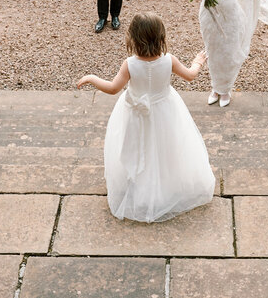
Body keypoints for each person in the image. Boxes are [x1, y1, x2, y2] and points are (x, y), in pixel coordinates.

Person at [77, 12, 215, 223]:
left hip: (136, 115)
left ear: (132, 37)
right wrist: (197, 61)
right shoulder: (169, 60)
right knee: (164, 148)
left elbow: (113, 88)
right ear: (161, 37)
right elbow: (190, 75)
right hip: (165, 110)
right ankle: (164, 186)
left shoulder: (130, 64)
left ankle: (139, 185)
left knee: (137, 147)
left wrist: (92, 78)